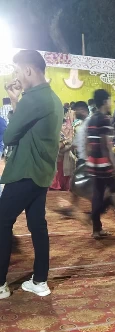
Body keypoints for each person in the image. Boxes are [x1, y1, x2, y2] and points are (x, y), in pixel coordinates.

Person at [0, 50, 63, 299]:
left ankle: (0, 284)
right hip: (41, 172)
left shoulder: (33, 98)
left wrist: (17, 100)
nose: (16, 76)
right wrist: (15, 98)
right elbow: (28, 128)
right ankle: (40, 280)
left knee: (2, 221)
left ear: (27, 70)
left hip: (24, 171)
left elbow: (10, 135)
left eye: (17, 71)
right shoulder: (52, 98)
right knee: (37, 225)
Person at [86, 90, 115, 239]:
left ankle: (97, 229)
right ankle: (93, 216)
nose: (110, 103)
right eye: (110, 100)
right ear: (105, 101)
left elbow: (88, 142)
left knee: (98, 194)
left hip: (93, 161)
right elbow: (106, 146)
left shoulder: (92, 119)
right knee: (113, 191)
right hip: (103, 162)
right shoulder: (105, 119)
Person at [49, 119, 76, 191]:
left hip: (63, 160)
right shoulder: (57, 134)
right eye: (63, 125)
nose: (65, 127)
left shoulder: (62, 135)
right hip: (59, 159)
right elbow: (59, 147)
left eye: (65, 125)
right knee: (58, 175)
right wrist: (66, 143)